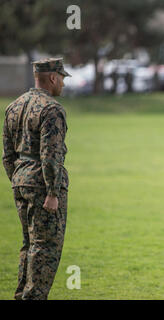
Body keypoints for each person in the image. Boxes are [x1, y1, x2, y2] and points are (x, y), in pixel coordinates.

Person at [2, 57, 70, 300]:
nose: (63, 83)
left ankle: (21, 295)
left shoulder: (14, 106)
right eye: (62, 78)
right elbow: (50, 155)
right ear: (53, 78)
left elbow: (8, 154)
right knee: (46, 249)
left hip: (20, 181)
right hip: (43, 186)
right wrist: (52, 192)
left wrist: (18, 179)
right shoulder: (51, 109)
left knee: (29, 244)